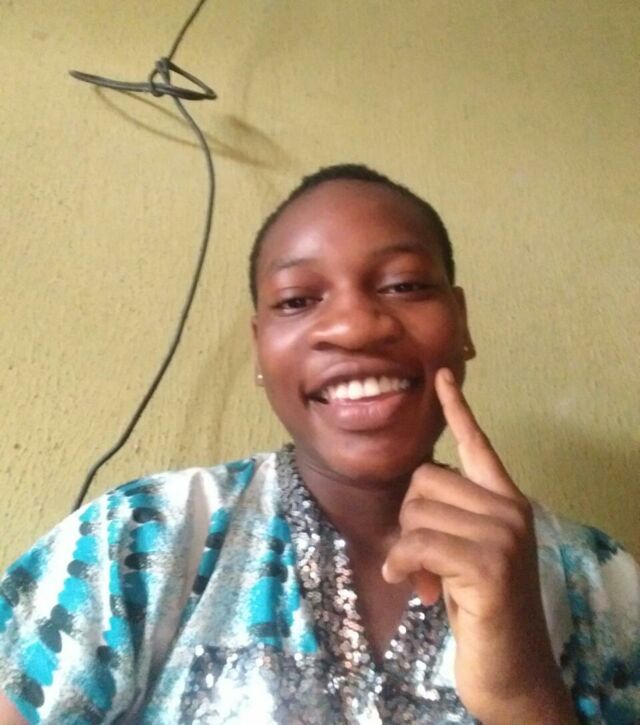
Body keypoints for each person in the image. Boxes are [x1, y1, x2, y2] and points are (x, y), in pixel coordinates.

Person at [0, 164, 638, 724]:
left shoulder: (598, 580)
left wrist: (525, 698)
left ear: (461, 322)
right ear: (260, 349)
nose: (355, 326)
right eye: (297, 299)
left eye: (404, 285)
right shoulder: (139, 540)